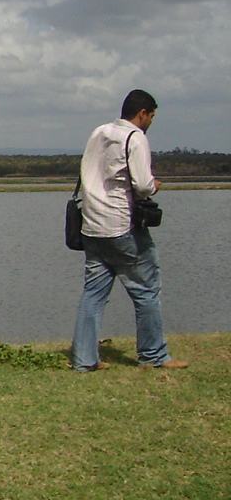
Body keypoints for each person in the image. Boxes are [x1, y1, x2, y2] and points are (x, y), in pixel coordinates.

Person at [71, 89, 188, 372]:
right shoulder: (135, 138)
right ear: (142, 114)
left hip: (92, 225)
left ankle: (85, 360)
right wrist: (155, 185)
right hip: (121, 225)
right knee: (146, 289)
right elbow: (143, 186)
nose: (151, 122)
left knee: (93, 294)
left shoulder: (99, 132)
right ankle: (153, 355)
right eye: (152, 116)